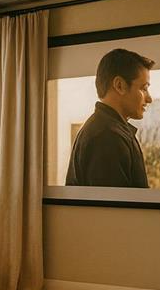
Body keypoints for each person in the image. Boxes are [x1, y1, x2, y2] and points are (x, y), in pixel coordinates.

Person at [65, 48, 153, 187]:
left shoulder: (108, 130)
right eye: (144, 88)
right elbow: (113, 201)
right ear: (119, 85)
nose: (149, 99)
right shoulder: (107, 137)